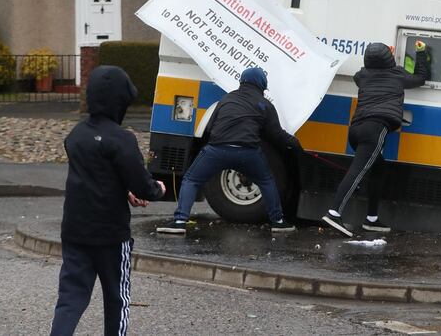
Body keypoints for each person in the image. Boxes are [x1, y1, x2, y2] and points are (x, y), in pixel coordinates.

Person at [51, 65, 166, 336]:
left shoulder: (76, 135)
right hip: (112, 236)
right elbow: (142, 184)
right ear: (121, 101)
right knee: (117, 299)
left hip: (76, 231)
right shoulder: (122, 139)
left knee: (70, 299)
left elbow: (95, 174)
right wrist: (157, 189)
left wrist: (123, 191)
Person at [156, 67, 302, 235]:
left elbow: (210, 127)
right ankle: (278, 222)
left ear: (241, 82)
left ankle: (180, 221)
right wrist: (294, 144)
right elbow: (276, 134)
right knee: (267, 181)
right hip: (248, 152)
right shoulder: (265, 105)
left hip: (217, 150)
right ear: (262, 86)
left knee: (191, 180)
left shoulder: (226, 99)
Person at [322, 40, 429, 237]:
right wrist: (421, 52)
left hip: (355, 130)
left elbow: (364, 72)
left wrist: (375, 62)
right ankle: (334, 212)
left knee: (379, 169)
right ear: (389, 58)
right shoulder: (398, 75)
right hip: (375, 129)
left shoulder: (362, 77)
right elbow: (421, 78)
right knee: (358, 171)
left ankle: (371, 218)